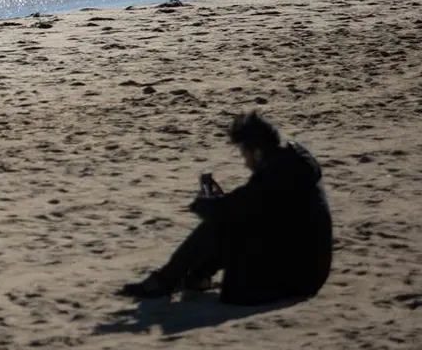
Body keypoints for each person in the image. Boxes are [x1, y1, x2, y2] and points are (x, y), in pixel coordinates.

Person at [119, 112, 333, 305]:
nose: (245, 163)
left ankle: (168, 280)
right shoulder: (289, 164)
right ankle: (188, 277)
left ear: (257, 152)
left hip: (298, 276)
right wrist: (220, 205)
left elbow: (240, 206)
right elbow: (252, 206)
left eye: (244, 154)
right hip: (305, 267)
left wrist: (205, 204)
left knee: (219, 226)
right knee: (228, 222)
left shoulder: (277, 175)